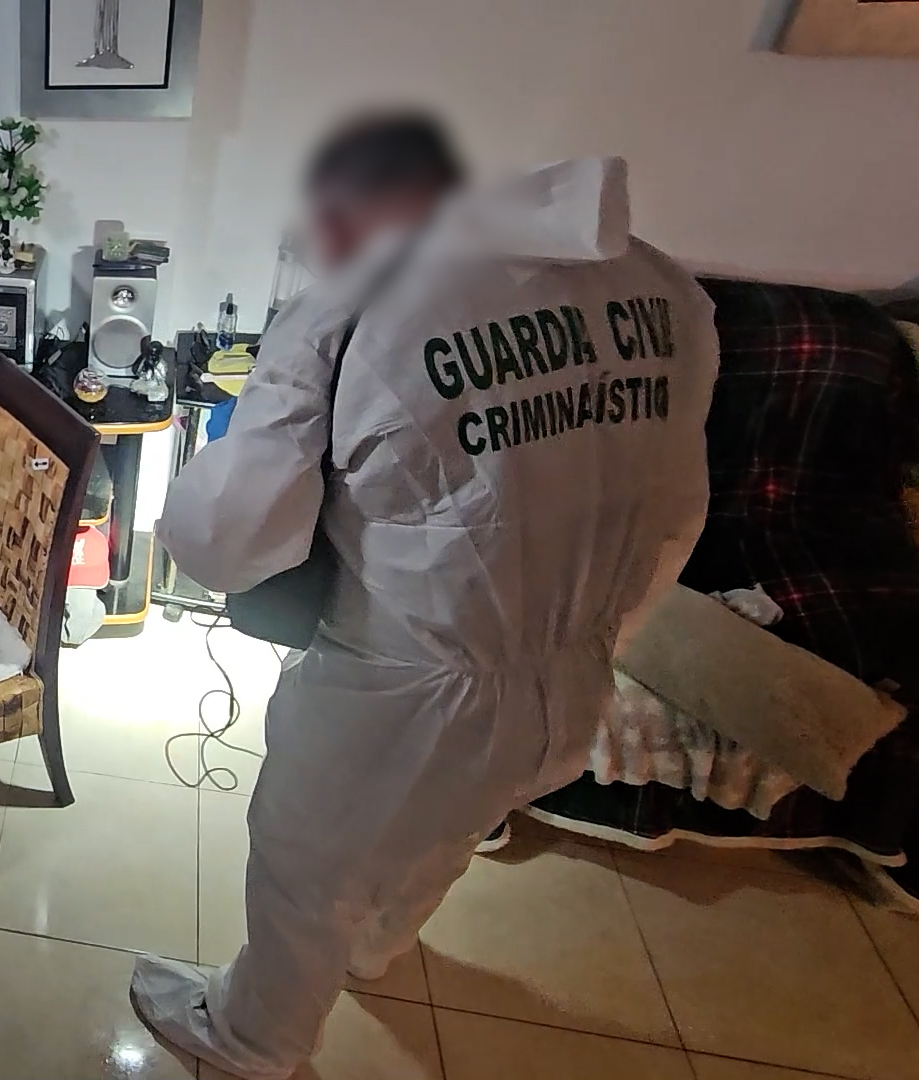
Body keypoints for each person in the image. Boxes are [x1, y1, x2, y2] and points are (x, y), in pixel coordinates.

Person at [130, 114, 719, 1078]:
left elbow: (228, 540)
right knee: (444, 836)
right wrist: (607, 636)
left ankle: (254, 1040)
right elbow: (676, 514)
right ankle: (378, 951)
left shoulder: (358, 310)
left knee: (304, 866)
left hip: (402, 684)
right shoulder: (663, 293)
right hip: (571, 669)